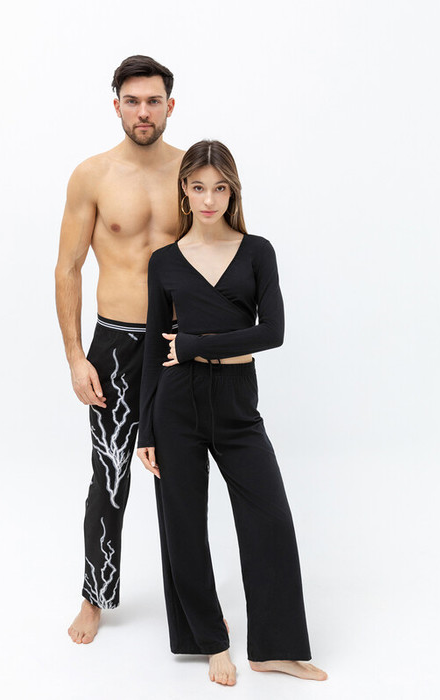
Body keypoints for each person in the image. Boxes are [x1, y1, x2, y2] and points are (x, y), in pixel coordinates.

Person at [137, 140, 327, 686]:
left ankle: (275, 648)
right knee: (183, 526)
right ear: (184, 189)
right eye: (198, 187)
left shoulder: (257, 251)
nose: (208, 199)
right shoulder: (164, 261)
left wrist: (197, 344)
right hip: (176, 404)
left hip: (237, 402)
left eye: (219, 188)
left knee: (270, 521)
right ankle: (209, 641)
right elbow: (154, 347)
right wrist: (146, 429)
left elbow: (273, 332)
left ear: (232, 191)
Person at [55, 55, 183, 644]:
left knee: (181, 479)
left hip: (179, 346)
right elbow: (68, 268)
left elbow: (223, 255)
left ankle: (194, 605)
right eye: (132, 101)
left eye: (153, 101)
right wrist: (75, 356)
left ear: (170, 106)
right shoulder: (93, 175)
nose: (143, 111)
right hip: (116, 345)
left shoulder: (193, 172)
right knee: (109, 477)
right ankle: (95, 595)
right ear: (117, 106)